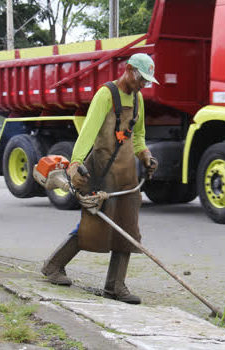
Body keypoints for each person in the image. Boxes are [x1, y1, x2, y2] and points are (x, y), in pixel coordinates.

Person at [41, 53, 159, 304]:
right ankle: (53, 266)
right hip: (101, 171)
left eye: (147, 82)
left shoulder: (138, 99)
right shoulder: (106, 95)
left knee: (128, 228)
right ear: (128, 70)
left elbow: (138, 137)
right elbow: (88, 133)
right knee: (92, 224)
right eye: (142, 79)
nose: (143, 85)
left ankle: (115, 286)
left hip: (126, 172)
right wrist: (75, 163)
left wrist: (145, 155)